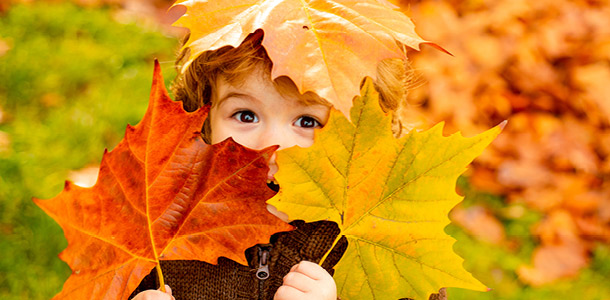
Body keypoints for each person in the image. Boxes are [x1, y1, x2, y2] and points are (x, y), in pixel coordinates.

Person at [130, 29, 419, 300]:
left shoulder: (383, 242)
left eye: (307, 122)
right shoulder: (158, 229)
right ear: (203, 119)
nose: (271, 145)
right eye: (245, 115)